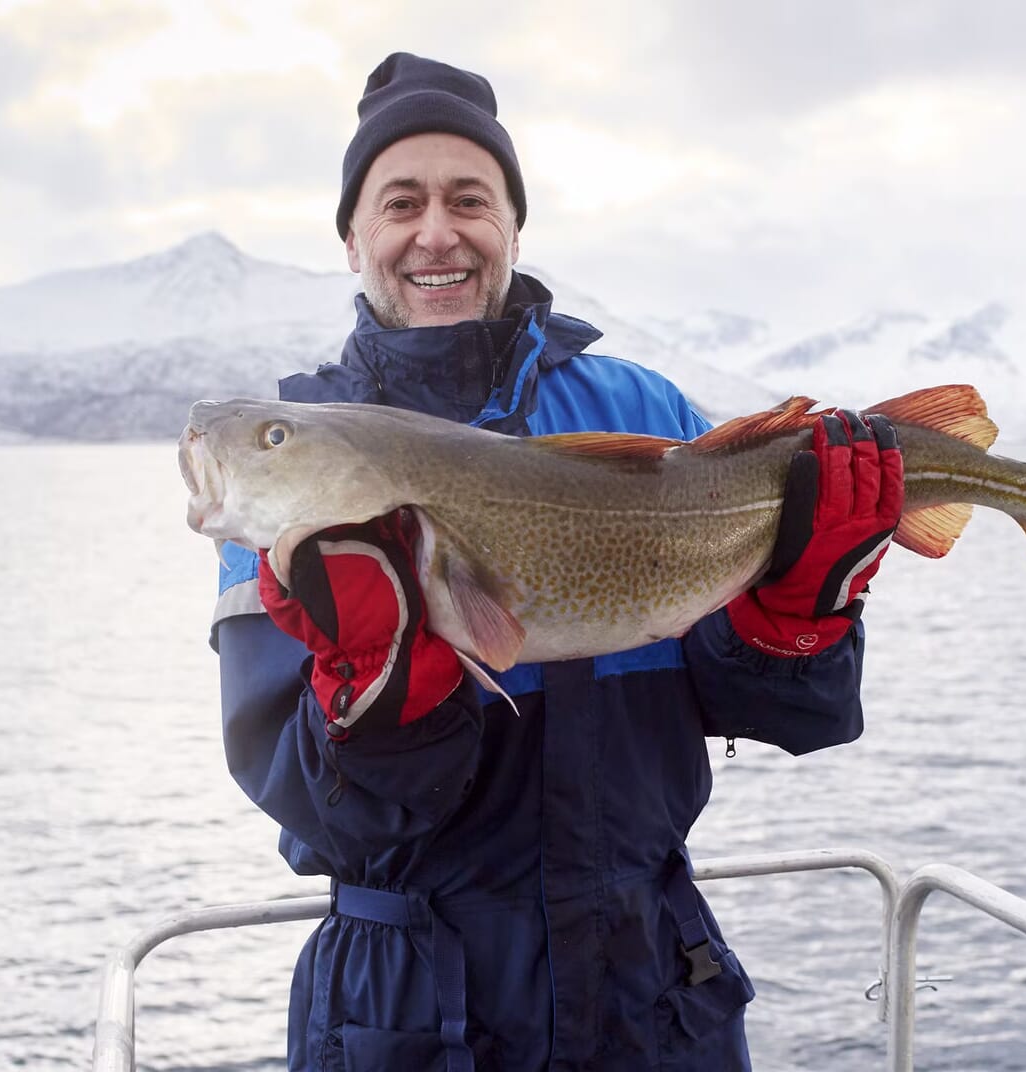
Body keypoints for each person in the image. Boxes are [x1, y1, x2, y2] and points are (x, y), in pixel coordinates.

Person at [210, 52, 903, 1072]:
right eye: (399, 201)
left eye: (468, 198)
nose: (435, 231)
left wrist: (796, 621)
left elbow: (787, 716)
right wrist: (379, 705)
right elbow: (317, 813)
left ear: (512, 226)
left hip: (651, 987)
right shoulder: (295, 481)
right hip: (406, 1009)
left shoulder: (650, 417)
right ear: (352, 237)